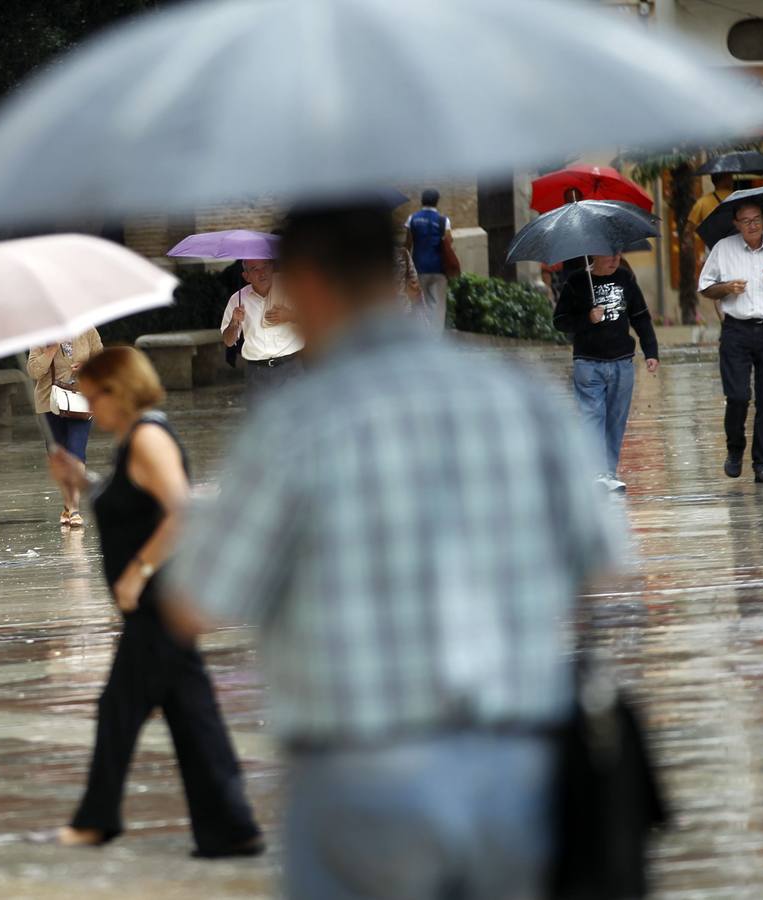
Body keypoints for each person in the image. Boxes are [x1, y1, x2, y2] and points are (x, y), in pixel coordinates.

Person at [167, 204, 623, 900]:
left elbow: (199, 602)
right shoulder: (517, 398)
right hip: (515, 766)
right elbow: (600, 560)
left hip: (358, 778)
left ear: (312, 283)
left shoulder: (295, 426)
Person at [47, 347, 263, 858]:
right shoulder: (133, 441)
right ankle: (231, 827)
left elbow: (181, 512)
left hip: (159, 600)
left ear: (117, 392)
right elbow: (134, 505)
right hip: (156, 603)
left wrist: (138, 574)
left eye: (93, 395)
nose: (89, 406)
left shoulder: (147, 437)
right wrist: (82, 483)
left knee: (119, 709)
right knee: (193, 715)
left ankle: (97, 820)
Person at [553, 253, 661, 493]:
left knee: (615, 419)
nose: (615, 259)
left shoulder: (626, 279)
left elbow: (640, 317)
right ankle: (595, 472)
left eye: (618, 253)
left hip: (622, 362)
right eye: (609, 254)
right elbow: (560, 321)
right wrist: (587, 318)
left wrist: (651, 351)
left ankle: (609, 472)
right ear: (594, 254)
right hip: (588, 363)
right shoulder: (576, 282)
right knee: (591, 417)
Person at [700, 200, 763, 483]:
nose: (752, 225)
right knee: (738, 395)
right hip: (736, 331)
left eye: (756, 219)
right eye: (746, 220)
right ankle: (735, 448)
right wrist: (726, 288)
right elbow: (706, 287)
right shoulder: (723, 249)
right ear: (736, 224)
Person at [28, 328, 103, 527]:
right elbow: (34, 371)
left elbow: (102, 361)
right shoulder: (42, 335)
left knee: (76, 452)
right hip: (49, 404)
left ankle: (74, 509)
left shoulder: (88, 329)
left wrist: (87, 366)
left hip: (81, 400)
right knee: (59, 457)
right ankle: (68, 505)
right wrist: (51, 350)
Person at [221, 259, 304, 402]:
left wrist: (289, 315)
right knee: (262, 422)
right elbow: (228, 341)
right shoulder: (238, 300)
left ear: (272, 268)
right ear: (246, 276)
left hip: (291, 368)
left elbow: (315, 319)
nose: (262, 273)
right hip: (257, 373)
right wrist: (234, 322)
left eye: (265, 267)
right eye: (255, 269)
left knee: (296, 420)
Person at [405, 188, 456, 330]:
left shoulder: (412, 219)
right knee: (437, 306)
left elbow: (407, 244)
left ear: (422, 200)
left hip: (418, 268)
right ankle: (435, 339)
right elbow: (449, 241)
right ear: (436, 202)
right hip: (438, 269)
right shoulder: (443, 221)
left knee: (418, 303)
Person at [686, 172, 736, 275]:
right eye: (730, 176)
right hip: (736, 247)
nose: (732, 179)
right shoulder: (739, 198)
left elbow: (689, 229)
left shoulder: (702, 202)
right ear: (726, 179)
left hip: (713, 249)